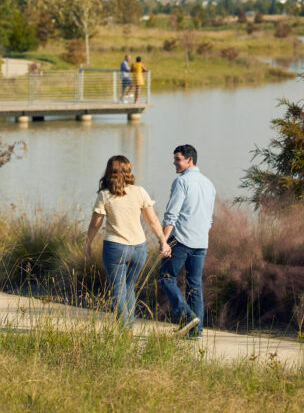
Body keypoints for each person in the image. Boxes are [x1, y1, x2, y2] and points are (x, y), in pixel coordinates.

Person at [84, 155, 170, 330]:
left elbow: (95, 223)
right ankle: (129, 326)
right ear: (128, 171)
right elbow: (153, 220)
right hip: (139, 248)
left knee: (118, 290)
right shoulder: (140, 191)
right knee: (129, 288)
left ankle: (125, 330)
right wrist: (163, 241)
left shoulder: (105, 195)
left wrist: (87, 243)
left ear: (110, 171)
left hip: (115, 247)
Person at [159, 144, 216, 338]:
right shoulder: (209, 184)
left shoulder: (181, 182)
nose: (174, 163)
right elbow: (209, 219)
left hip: (181, 240)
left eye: (177, 159)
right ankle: (196, 332)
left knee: (165, 277)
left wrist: (163, 241)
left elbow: (171, 215)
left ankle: (187, 316)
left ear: (189, 160)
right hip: (201, 242)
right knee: (194, 285)